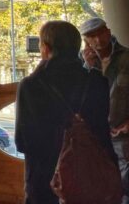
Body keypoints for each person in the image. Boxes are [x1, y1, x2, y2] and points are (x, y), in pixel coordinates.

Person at [15, 20, 114, 204]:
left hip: (45, 182)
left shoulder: (31, 85)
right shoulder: (97, 82)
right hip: (90, 179)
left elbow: (23, 142)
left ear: (46, 48)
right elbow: (103, 132)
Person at [79, 17, 129, 203]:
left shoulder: (126, 58)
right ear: (86, 40)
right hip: (94, 136)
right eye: (92, 36)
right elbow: (80, 98)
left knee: (125, 186)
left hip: (122, 137)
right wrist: (88, 67)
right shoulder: (80, 64)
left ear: (108, 31)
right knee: (98, 186)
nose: (98, 39)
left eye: (100, 32)